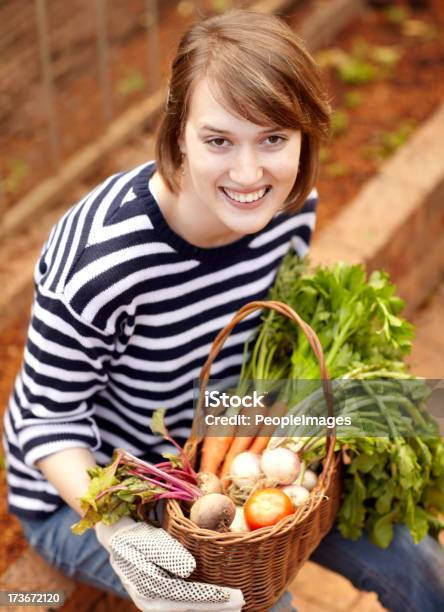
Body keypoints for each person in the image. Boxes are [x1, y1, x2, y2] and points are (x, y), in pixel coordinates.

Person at [2, 8, 443, 612]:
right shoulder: (101, 262)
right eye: (218, 140)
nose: (247, 173)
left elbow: (254, 336)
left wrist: (307, 435)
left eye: (274, 139)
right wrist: (118, 526)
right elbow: (46, 425)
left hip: (222, 447)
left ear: (304, 134)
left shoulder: (290, 206)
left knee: (418, 562)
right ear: (177, 130)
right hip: (89, 491)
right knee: (264, 604)